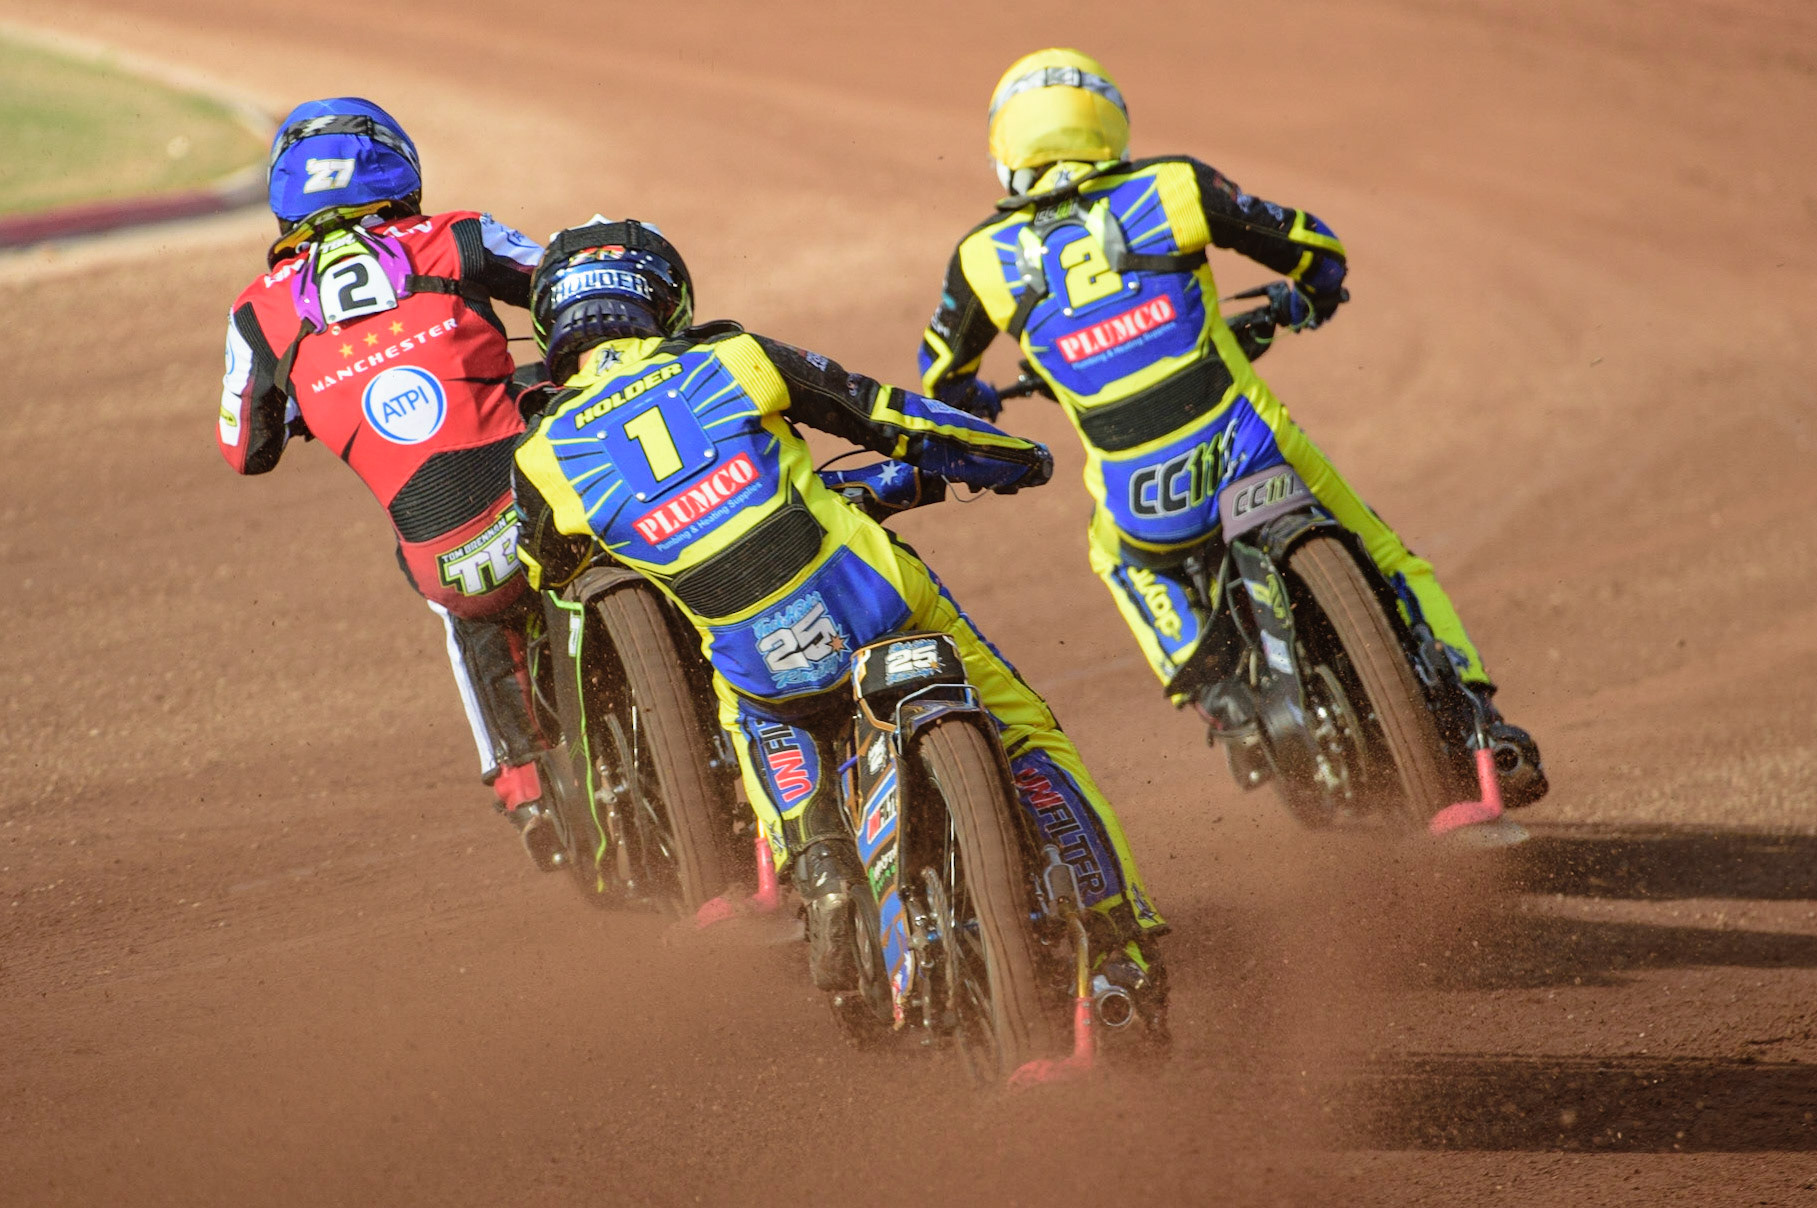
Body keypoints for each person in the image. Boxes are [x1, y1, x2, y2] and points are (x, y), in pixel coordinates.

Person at [511, 219, 1167, 1019]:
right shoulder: (732, 358)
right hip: (878, 605)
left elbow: (552, 568)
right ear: (666, 300)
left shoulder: (541, 456)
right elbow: (891, 416)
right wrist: (1010, 457)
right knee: (1027, 733)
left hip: (761, 661)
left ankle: (817, 867)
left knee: (750, 714)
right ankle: (1118, 937)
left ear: (552, 326)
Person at [914, 48, 1546, 808]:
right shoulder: (1171, 184)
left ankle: (1221, 703)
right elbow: (1312, 246)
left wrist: (982, 396)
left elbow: (938, 377)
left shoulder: (980, 257)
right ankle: (1479, 714)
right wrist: (1312, 295)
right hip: (1250, 442)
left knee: (1117, 560)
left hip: (1144, 501)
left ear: (1006, 147)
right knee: (1392, 558)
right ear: (1105, 123)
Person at [215, 97, 564, 865]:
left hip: (453, 560)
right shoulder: (455, 235)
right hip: (554, 504)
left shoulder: (257, 312)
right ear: (395, 166)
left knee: (444, 581)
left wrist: (311, 398)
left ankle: (521, 778)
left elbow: (244, 450)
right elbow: (571, 288)